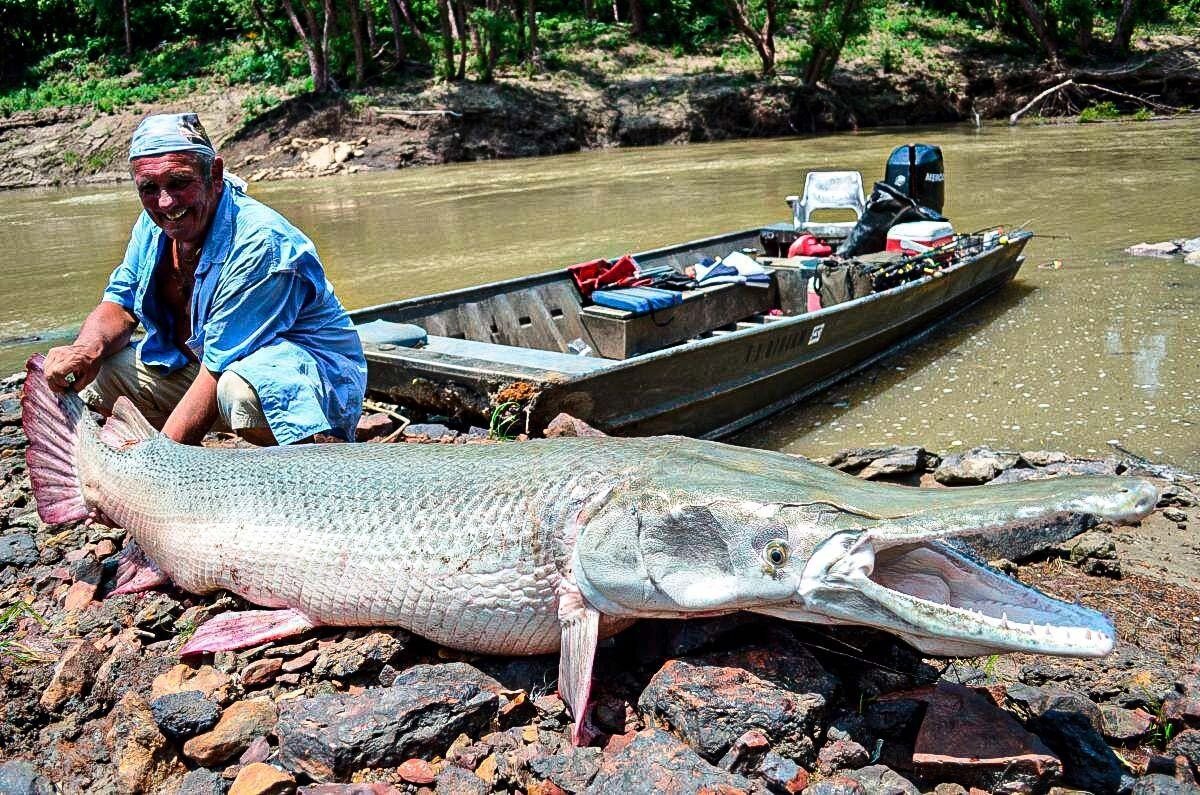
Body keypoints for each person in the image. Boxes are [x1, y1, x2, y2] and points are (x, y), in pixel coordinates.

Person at [42, 112, 366, 446]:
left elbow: (218, 366)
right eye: (150, 188)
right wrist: (84, 349)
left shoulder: (262, 242)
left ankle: (307, 455)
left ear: (215, 174)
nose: (165, 202)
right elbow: (121, 304)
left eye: (179, 183)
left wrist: (158, 467)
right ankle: (182, 453)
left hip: (308, 384)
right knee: (105, 371)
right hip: (208, 368)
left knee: (239, 391)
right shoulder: (153, 224)